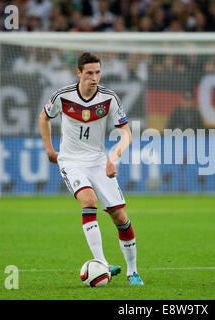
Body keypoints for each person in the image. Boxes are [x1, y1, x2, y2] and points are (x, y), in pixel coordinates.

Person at [39, 52, 144, 286]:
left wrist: (113, 157)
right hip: (71, 161)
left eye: (98, 72)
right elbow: (44, 118)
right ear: (79, 73)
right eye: (89, 73)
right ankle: (102, 264)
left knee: (120, 217)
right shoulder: (62, 96)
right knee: (89, 201)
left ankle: (132, 271)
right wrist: (49, 150)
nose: (94, 77)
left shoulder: (109, 98)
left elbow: (126, 134)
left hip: (98, 161)